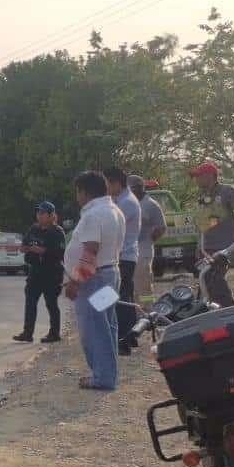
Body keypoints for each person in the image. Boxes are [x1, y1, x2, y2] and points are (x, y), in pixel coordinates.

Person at [64, 171, 125, 391]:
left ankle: (102, 377)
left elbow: (90, 251)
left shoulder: (93, 214)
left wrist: (75, 281)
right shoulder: (114, 210)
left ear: (84, 191)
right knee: (107, 326)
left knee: (94, 328)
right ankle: (107, 373)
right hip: (111, 274)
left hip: (94, 279)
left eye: (77, 192)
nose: (77, 197)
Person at [190, 162, 234, 307]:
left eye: (199, 176)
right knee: (205, 287)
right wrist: (199, 246)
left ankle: (233, 313)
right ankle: (208, 319)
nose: (196, 180)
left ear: (210, 176)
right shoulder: (204, 196)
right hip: (206, 251)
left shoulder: (228, 192)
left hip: (222, 250)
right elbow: (205, 225)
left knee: (215, 282)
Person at [14, 201, 66, 343]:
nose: (39, 215)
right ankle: (27, 332)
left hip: (52, 272)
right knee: (30, 302)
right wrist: (29, 248)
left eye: (42, 213)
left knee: (51, 303)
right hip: (35, 271)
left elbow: (59, 252)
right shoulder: (34, 229)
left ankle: (54, 333)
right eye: (38, 212)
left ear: (51, 215)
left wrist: (42, 250)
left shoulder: (57, 232)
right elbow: (24, 245)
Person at [104, 167, 141, 356]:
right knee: (123, 295)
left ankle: (123, 341)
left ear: (117, 182)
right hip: (124, 255)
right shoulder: (122, 200)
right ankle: (130, 336)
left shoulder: (126, 203)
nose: (106, 188)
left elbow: (111, 226)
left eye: (107, 184)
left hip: (124, 256)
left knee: (120, 298)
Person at [129, 176, 166, 308]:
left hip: (144, 250)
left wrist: (149, 240)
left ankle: (148, 310)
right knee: (132, 286)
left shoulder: (151, 204)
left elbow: (161, 227)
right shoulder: (129, 203)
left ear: (138, 188)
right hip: (129, 251)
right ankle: (136, 312)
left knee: (144, 284)